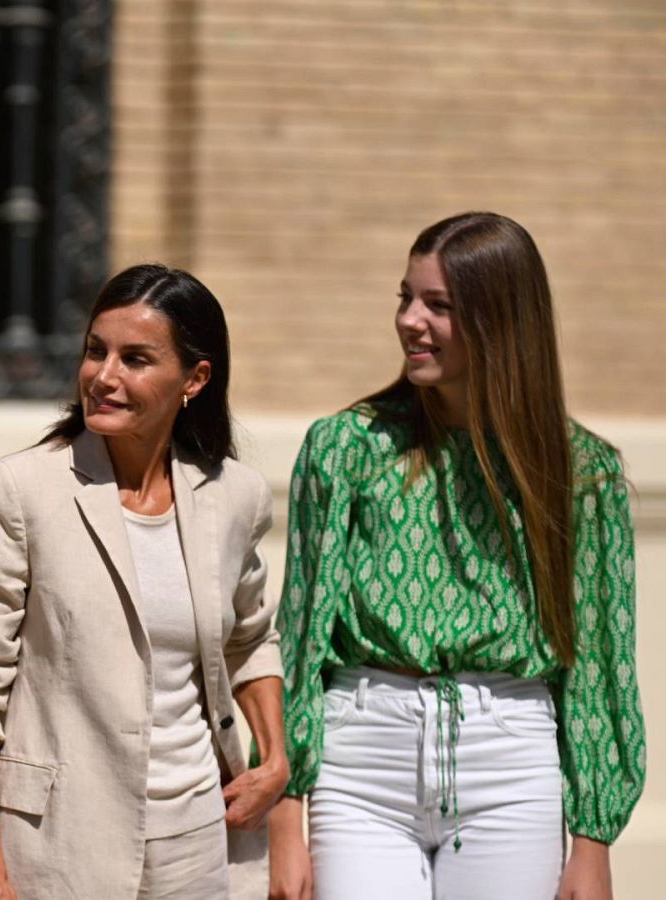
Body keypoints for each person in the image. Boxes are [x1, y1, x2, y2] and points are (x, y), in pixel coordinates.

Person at [267, 212, 645, 900]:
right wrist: (287, 813)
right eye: (405, 298)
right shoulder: (345, 448)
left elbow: (599, 662)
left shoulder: (581, 473)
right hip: (361, 763)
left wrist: (593, 841)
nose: (411, 320)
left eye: (438, 305)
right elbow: (300, 642)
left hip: (513, 767)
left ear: (501, 320)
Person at [0, 264, 288, 899]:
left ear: (195, 379)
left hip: (199, 837)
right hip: (57, 839)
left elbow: (251, 636)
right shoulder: (21, 491)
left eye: (136, 359)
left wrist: (275, 756)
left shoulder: (234, 496)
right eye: (96, 351)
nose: (104, 376)